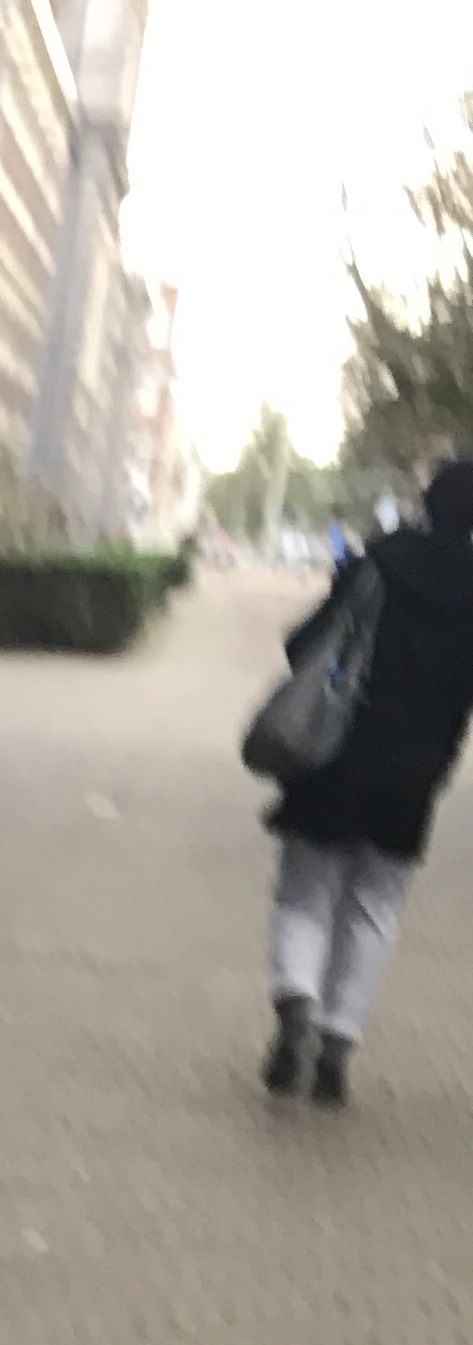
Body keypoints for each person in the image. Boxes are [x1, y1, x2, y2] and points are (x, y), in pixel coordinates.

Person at [261, 458, 473, 1106]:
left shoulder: (377, 565)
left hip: (340, 749)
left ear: (428, 502)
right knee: (375, 907)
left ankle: (297, 997)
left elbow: (307, 643)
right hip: (415, 771)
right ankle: (338, 1041)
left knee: (306, 892)